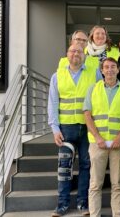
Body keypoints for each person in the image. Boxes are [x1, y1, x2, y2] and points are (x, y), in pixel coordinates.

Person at [48, 44, 102, 216]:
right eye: (72, 51)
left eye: (79, 51)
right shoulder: (57, 76)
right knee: (64, 167)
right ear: (67, 55)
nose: (76, 54)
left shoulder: (94, 73)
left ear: (83, 55)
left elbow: (100, 98)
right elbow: (53, 103)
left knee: (86, 165)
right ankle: (62, 204)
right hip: (66, 129)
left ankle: (82, 203)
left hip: (88, 128)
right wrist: (54, 128)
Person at [83, 57, 120, 217]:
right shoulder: (93, 89)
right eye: (106, 67)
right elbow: (87, 115)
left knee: (118, 184)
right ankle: (94, 214)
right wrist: (98, 137)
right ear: (102, 70)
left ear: (118, 69)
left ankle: (117, 215)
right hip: (97, 143)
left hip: (118, 144)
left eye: (113, 67)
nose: (110, 70)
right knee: (95, 184)